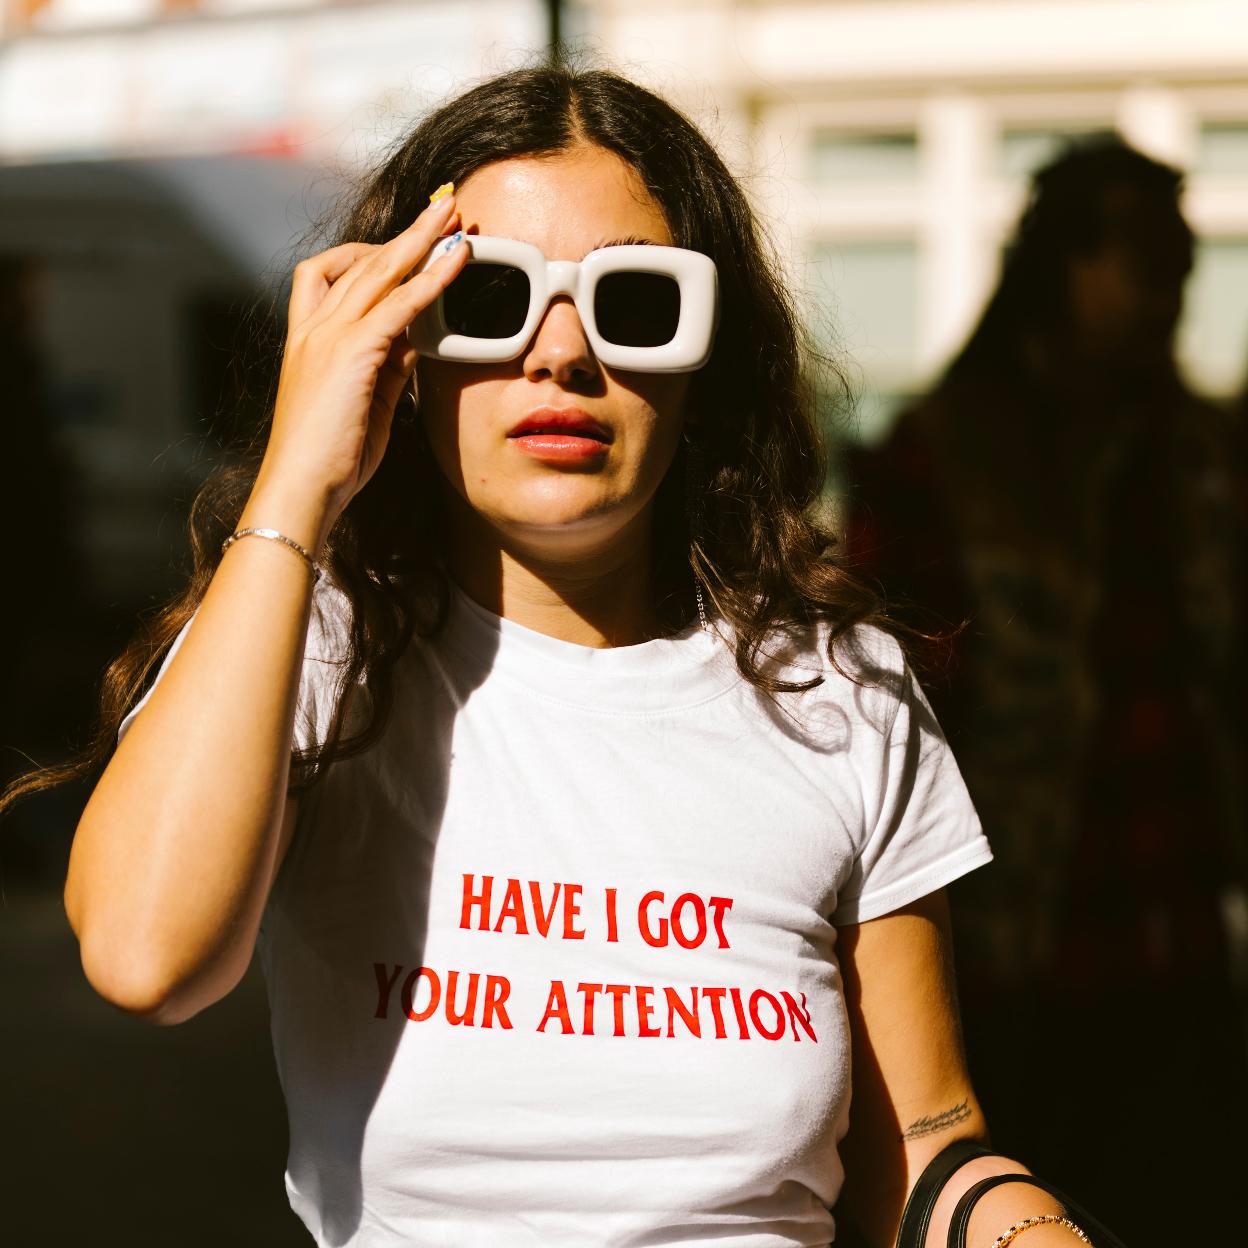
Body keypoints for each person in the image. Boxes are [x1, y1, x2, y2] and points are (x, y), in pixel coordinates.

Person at [7, 66, 1102, 1247]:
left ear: (704, 364)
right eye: (487, 297)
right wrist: (297, 482)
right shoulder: (316, 656)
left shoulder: (842, 690)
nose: (561, 354)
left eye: (635, 303)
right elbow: (143, 956)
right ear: (401, 343)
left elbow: (925, 1144)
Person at [846, 134, 1248, 1245]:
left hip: (1180, 939)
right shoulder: (943, 454)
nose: (1172, 290)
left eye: (1182, 262)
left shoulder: (1201, 448)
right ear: (1060, 265)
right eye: (1144, 259)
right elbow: (885, 705)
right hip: (1012, 946)